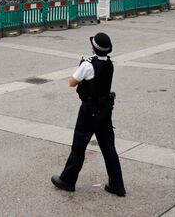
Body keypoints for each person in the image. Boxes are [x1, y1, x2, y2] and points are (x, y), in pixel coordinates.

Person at [51, 32, 125, 197]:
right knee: (108, 148)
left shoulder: (88, 64)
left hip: (89, 110)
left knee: (79, 145)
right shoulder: (110, 64)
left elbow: (71, 82)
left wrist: (80, 67)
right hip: (105, 109)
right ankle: (117, 184)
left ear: (94, 47)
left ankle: (67, 180)